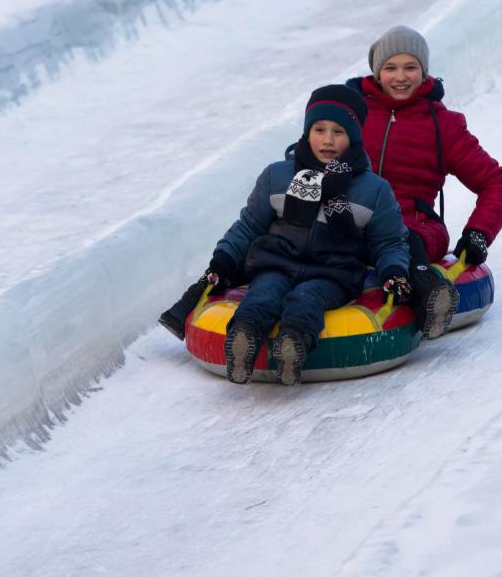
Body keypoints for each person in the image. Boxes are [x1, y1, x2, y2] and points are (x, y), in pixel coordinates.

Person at [163, 85, 412, 385]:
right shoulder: (277, 176)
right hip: (277, 263)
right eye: (320, 129)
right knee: (262, 295)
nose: (328, 140)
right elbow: (249, 226)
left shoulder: (372, 189)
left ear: (354, 137)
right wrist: (223, 260)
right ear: (308, 132)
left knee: (306, 302)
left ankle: (292, 347)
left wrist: (395, 272)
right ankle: (242, 341)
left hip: (333, 272)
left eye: (339, 132)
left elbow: (388, 242)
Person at [346, 25, 502, 338]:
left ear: (424, 73)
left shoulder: (443, 125)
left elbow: (496, 182)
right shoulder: (352, 114)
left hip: (415, 227)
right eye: (390, 67)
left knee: (400, 241)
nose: (400, 77)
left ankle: (431, 299)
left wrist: (479, 234)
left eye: (410, 67)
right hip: (353, 220)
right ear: (377, 72)